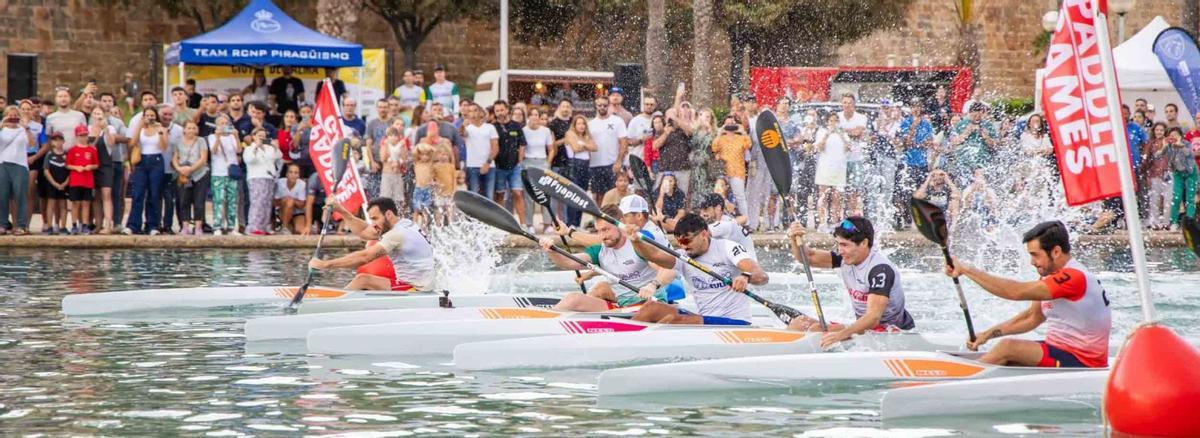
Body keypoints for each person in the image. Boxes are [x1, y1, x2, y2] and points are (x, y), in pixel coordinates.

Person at [944, 221, 1111, 368]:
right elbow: (1032, 317)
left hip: (1082, 360)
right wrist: (986, 335)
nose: (1032, 262)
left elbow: (1014, 292)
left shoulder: (1073, 277)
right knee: (1006, 356)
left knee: (1007, 348)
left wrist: (966, 269)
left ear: (1056, 251)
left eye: (1035, 255)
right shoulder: (1051, 276)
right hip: (1059, 351)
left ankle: (957, 385)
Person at [786, 217, 915, 346]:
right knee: (800, 323)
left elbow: (873, 318)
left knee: (815, 330)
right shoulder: (846, 258)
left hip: (891, 332)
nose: (840, 251)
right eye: (838, 244)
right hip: (866, 329)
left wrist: (839, 336)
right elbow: (807, 257)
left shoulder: (880, 270)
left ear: (864, 243)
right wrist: (794, 239)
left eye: (845, 245)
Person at [626, 213, 769, 325]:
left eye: (686, 240)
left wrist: (745, 276)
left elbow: (761, 275)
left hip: (735, 322)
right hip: (705, 320)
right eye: (679, 242)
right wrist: (636, 241)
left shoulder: (727, 247)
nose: (683, 246)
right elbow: (655, 255)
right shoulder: (683, 256)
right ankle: (626, 338)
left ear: (704, 234)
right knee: (651, 308)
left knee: (673, 320)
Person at [541, 204, 679, 312]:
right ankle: (544, 323)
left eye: (606, 229)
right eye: (599, 231)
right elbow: (568, 262)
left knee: (601, 288)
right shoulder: (600, 250)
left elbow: (669, 270)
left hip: (651, 305)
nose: (602, 236)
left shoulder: (637, 245)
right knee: (573, 299)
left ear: (621, 223)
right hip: (622, 307)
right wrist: (551, 251)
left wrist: (652, 286)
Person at [309, 197, 435, 291]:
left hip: (417, 290)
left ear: (389, 214)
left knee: (363, 280)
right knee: (365, 279)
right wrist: (341, 210)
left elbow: (365, 257)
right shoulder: (405, 223)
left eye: (375, 218)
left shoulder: (396, 235)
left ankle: (332, 304)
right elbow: (364, 231)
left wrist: (325, 264)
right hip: (418, 284)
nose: (373, 224)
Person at [126, 106, 168, 235]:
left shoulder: (161, 129)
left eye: (152, 115)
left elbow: (163, 147)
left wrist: (160, 132)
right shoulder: (141, 128)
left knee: (154, 194)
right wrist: (140, 126)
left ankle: (153, 225)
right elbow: (132, 143)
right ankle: (133, 225)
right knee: (138, 193)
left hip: (156, 161)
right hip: (142, 161)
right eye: (147, 115)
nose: (150, 118)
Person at [490, 100, 528, 226]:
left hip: (515, 166)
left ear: (507, 110)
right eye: (497, 111)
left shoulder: (516, 126)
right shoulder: (493, 126)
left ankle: (523, 224)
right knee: (500, 195)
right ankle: (501, 224)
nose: (500, 113)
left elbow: (522, 145)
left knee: (517, 193)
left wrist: (520, 161)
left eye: (502, 110)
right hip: (499, 166)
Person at [0, 107, 36, 235]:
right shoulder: (2, 130)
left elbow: (32, 144)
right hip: (3, 164)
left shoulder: (23, 130)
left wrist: (26, 128)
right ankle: (3, 224)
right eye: (10, 115)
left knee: (20, 195)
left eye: (15, 115)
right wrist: (2, 124)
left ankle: (21, 225)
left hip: (20, 165)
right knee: (2, 195)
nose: (13, 118)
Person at [172, 120, 209, 235]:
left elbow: (203, 158)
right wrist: (179, 168)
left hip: (199, 173)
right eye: (189, 128)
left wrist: (191, 169)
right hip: (183, 174)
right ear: (184, 129)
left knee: (199, 201)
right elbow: (175, 158)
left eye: (194, 128)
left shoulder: (201, 141)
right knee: (184, 200)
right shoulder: (178, 142)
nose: (191, 130)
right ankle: (185, 226)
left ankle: (198, 227)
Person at [814, 112, 850, 230]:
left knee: (837, 196)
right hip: (825, 167)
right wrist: (827, 134)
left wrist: (841, 136)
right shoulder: (822, 132)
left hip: (839, 168)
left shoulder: (843, 133)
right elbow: (819, 147)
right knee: (823, 195)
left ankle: (835, 222)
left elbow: (848, 148)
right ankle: (822, 222)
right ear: (827, 122)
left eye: (836, 121)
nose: (833, 123)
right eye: (831, 121)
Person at [243, 128, 282, 235]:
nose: (262, 138)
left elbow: (279, 157)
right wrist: (256, 147)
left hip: (269, 178)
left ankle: (264, 226)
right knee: (257, 202)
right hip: (256, 177)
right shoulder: (249, 149)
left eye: (264, 136)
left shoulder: (269, 148)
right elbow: (249, 160)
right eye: (259, 136)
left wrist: (275, 147)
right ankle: (253, 227)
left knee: (267, 203)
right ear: (253, 136)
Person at [588, 95, 628, 200]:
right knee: (598, 196)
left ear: (608, 106)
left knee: (615, 194)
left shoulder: (617, 121)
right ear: (596, 106)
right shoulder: (590, 124)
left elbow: (623, 142)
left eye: (605, 105)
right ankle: (600, 217)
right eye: (599, 105)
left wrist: (619, 161)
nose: (602, 107)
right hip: (595, 165)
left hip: (612, 164)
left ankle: (615, 216)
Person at [711, 115, 752, 215]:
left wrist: (743, 131)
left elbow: (748, 145)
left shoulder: (741, 138)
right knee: (720, 196)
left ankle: (746, 221)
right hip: (723, 172)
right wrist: (720, 133)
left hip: (737, 171)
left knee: (740, 197)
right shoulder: (721, 138)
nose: (730, 126)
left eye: (732, 124)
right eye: (727, 124)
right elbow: (714, 148)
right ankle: (720, 218)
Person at [208, 115, 241, 236]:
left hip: (231, 173)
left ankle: (231, 227)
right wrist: (217, 137)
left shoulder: (232, 137)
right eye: (221, 123)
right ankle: (217, 226)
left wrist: (237, 136)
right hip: (218, 172)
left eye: (226, 123)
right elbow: (213, 151)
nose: (224, 125)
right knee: (219, 199)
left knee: (232, 200)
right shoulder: (212, 137)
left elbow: (238, 150)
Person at [522, 107, 554, 231]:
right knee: (529, 195)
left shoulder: (545, 131)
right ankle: (529, 224)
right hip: (528, 162)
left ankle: (547, 224)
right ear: (528, 116)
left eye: (537, 115)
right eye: (532, 114)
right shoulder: (523, 130)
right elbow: (521, 149)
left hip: (542, 162)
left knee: (545, 193)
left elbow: (551, 149)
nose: (535, 117)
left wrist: (547, 163)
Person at [697, 193, 756, 260]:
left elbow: (699, 234)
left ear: (718, 208)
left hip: (746, 267)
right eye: (701, 211)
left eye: (706, 209)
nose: (702, 214)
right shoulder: (726, 221)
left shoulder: (723, 225)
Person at [563, 115, 597, 227]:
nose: (581, 126)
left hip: (586, 166)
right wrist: (586, 144)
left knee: (582, 195)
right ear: (574, 125)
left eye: (583, 123)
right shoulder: (570, 133)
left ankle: (577, 223)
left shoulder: (587, 135)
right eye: (579, 123)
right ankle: (570, 222)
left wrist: (583, 144)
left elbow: (595, 147)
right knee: (573, 194)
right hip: (575, 165)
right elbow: (576, 148)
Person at [66, 124, 99, 234]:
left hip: (87, 181)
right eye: (81, 135)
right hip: (76, 180)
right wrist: (76, 167)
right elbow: (67, 165)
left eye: (85, 135)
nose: (83, 137)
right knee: (76, 203)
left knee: (86, 203)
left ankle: (85, 224)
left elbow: (96, 164)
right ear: (77, 136)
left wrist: (90, 167)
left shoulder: (91, 150)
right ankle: (74, 224)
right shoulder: (72, 150)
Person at [463, 104, 499, 200]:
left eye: (475, 110)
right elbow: (462, 133)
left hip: (489, 166)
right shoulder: (467, 128)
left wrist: (487, 163)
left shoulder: (490, 127)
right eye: (470, 111)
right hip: (472, 166)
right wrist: (463, 125)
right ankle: (474, 215)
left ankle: (488, 215)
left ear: (480, 112)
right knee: (474, 197)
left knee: (489, 197)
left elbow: (495, 147)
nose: (473, 113)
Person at [1142, 123, 1172, 230]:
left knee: (1168, 200)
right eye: (1157, 130)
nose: (1159, 132)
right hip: (1155, 174)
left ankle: (1166, 222)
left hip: (1168, 174)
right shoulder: (1150, 144)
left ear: (1165, 131)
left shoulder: (1169, 142)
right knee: (1154, 199)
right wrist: (1146, 174)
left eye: (1161, 130)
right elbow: (1146, 160)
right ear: (1154, 131)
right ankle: (1154, 222)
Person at [1167, 126, 1197, 227]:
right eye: (1171, 135)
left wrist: (1180, 145)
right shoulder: (1169, 147)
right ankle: (1173, 221)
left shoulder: (1186, 143)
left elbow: (1189, 154)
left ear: (1181, 136)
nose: (1174, 137)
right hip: (1178, 174)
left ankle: (1190, 221)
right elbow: (1170, 164)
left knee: (1190, 198)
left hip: (1191, 173)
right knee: (1176, 197)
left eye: (1176, 135)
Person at [42, 133, 69, 234]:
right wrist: (54, 183)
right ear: (52, 142)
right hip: (52, 183)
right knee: (51, 205)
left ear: (63, 141)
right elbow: (46, 170)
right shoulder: (49, 154)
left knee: (63, 205)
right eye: (55, 140)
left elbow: (70, 171)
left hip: (64, 183)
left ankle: (63, 227)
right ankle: (49, 226)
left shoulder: (67, 155)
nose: (58, 142)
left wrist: (65, 183)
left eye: (60, 140)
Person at [273, 163, 307, 234]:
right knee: (289, 202)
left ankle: (290, 226)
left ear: (299, 175)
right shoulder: (280, 183)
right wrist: (284, 201)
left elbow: (302, 204)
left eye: (296, 173)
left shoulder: (302, 184)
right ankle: (284, 227)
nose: (293, 175)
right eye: (290, 172)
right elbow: (275, 202)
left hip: (297, 212)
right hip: (282, 210)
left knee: (300, 230)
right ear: (286, 174)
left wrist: (292, 200)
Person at [410, 142, 436, 226]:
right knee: (416, 210)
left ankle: (425, 227)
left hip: (427, 189)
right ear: (419, 155)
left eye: (427, 155)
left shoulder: (430, 164)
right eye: (423, 154)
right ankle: (414, 225)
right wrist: (421, 147)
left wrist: (428, 147)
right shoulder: (417, 163)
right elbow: (414, 152)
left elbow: (434, 151)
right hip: (418, 189)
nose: (425, 157)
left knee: (425, 209)